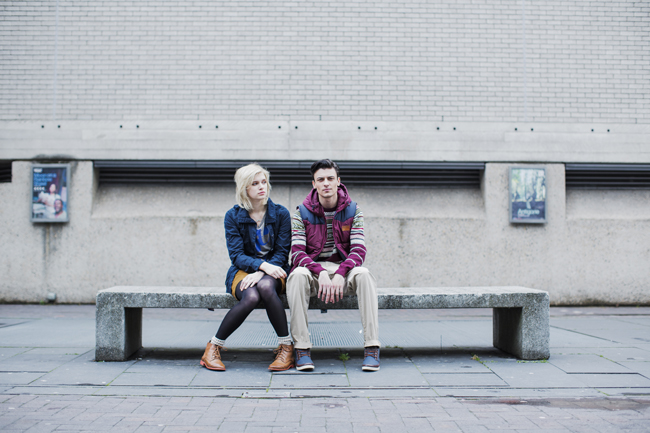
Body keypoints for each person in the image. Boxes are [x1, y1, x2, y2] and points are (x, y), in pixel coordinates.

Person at [287, 159, 380, 372]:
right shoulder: (301, 212)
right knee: (297, 275)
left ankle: (372, 347)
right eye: (321, 179)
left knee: (365, 274)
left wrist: (340, 272)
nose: (326, 183)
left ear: (339, 181)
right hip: (314, 272)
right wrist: (319, 271)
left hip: (343, 270)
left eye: (330, 178)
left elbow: (359, 250)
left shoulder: (353, 210)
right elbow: (298, 253)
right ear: (314, 184)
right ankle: (302, 349)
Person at [201, 163, 294, 371]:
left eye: (264, 182)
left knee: (266, 287)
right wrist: (260, 266)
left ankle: (286, 347)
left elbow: (281, 253)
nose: (262, 187)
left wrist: (262, 271)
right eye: (255, 183)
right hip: (242, 271)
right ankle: (213, 347)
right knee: (251, 296)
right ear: (244, 188)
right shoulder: (233, 216)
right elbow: (236, 256)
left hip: (275, 269)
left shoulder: (280, 214)